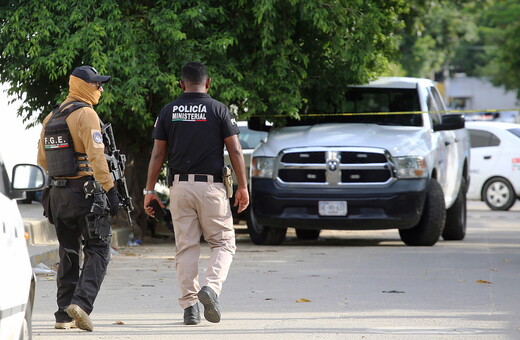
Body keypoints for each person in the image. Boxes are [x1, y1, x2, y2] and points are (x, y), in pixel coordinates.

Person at [143, 62, 249, 325]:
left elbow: (158, 153)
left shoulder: (168, 111)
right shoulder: (218, 109)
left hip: (179, 188)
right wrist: (243, 186)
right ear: (208, 83)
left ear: (182, 84)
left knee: (186, 246)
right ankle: (211, 288)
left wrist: (149, 190)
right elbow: (235, 151)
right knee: (223, 243)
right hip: (211, 188)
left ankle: (190, 308)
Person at [37, 65, 120, 332]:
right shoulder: (86, 114)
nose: (100, 88)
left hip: (58, 195)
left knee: (69, 252)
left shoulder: (50, 118)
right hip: (86, 193)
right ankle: (81, 304)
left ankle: (63, 315)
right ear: (82, 86)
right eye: (96, 84)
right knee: (98, 248)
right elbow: (97, 158)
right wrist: (111, 190)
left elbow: (42, 161)